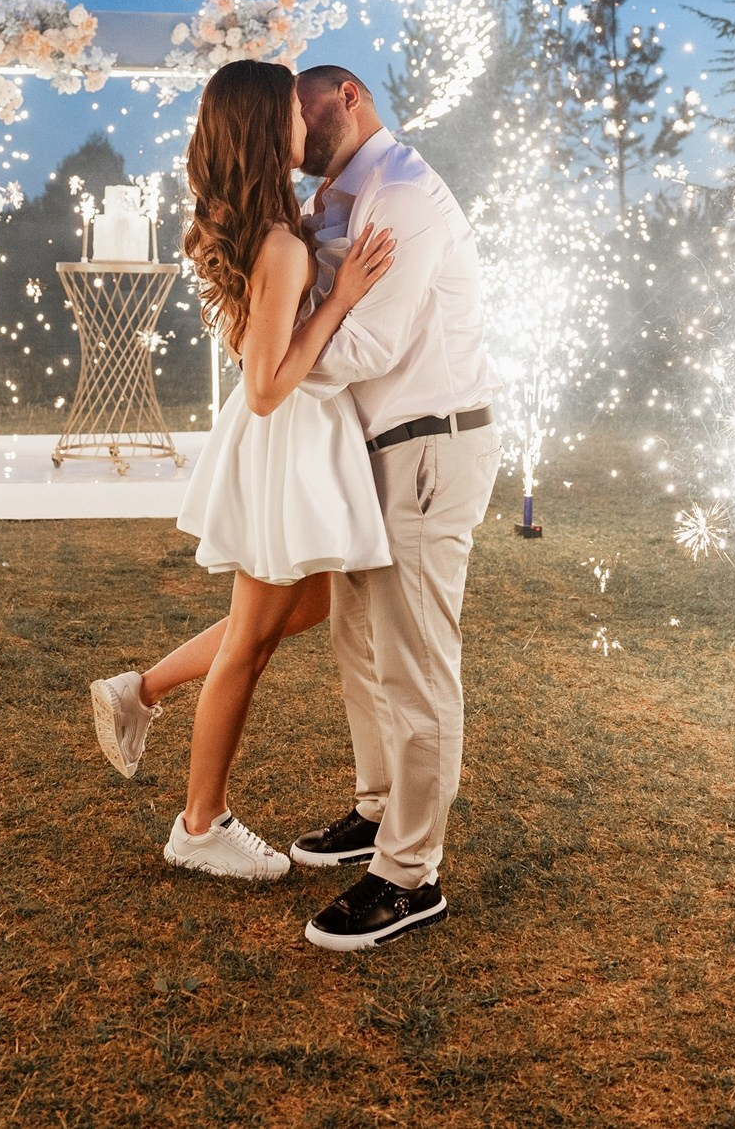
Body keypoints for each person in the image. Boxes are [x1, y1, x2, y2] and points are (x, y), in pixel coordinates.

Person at [88, 59, 396, 882]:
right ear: (272, 130)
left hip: (291, 444)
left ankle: (141, 688)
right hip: (286, 441)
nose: (306, 119)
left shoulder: (268, 232)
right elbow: (263, 389)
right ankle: (200, 820)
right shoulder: (283, 245)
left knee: (311, 605)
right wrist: (342, 298)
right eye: (292, 112)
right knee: (251, 643)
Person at [280, 62, 497, 953]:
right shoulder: (341, 197)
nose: (296, 134)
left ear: (351, 96)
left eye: (305, 112)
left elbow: (369, 340)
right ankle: (377, 810)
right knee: (358, 638)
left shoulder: (399, 192)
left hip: (426, 441)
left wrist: (279, 361)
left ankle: (412, 874)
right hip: (376, 449)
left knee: (414, 659)